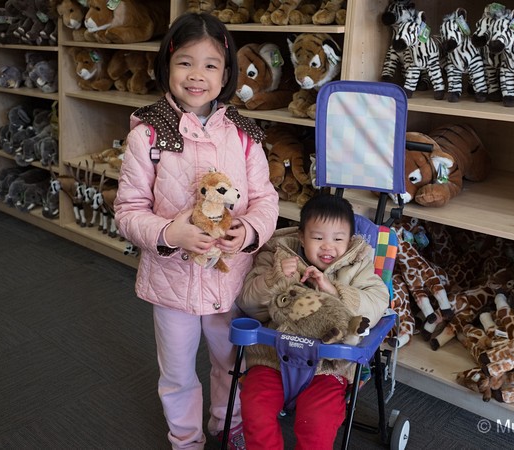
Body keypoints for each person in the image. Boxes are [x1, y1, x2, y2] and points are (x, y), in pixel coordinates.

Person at [114, 12, 279, 450]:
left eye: (210, 65)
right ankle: (185, 439)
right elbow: (128, 210)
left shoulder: (243, 133)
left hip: (231, 278)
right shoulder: (147, 132)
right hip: (172, 285)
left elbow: (266, 200)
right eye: (185, 62)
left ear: (226, 73)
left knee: (232, 363)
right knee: (177, 371)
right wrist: (171, 232)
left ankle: (229, 426)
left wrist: (247, 232)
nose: (196, 76)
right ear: (167, 65)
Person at [236, 194, 390, 450]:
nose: (328, 247)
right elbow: (247, 302)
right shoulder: (276, 256)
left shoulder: (358, 265)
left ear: (349, 240)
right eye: (318, 238)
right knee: (255, 410)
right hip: (270, 358)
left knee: (318, 424)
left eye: (338, 239)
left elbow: (377, 303)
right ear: (301, 237)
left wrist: (334, 290)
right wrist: (273, 279)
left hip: (328, 367)